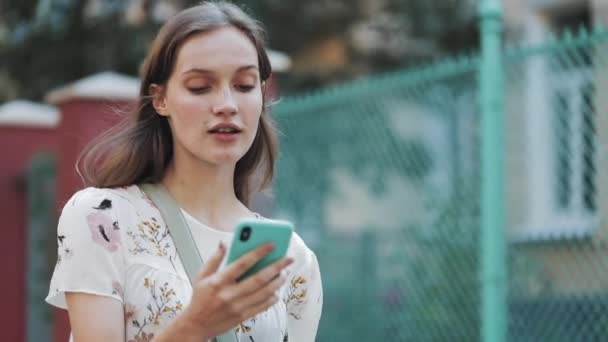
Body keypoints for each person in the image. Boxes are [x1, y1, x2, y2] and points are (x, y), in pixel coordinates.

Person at [45, 2, 323, 341]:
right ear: (160, 99)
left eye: (245, 84)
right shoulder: (104, 219)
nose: (227, 105)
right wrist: (195, 325)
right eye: (200, 87)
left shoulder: (293, 261)